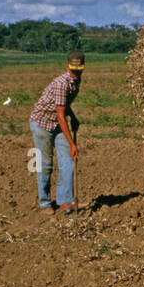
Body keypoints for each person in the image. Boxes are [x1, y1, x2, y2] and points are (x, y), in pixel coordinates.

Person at [29, 50, 84, 215]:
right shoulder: (62, 83)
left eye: (79, 70)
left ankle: (66, 201)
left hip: (58, 123)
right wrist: (72, 143)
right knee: (46, 164)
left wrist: (73, 117)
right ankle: (44, 202)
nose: (76, 73)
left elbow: (65, 105)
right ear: (68, 67)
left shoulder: (76, 81)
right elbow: (60, 115)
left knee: (68, 160)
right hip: (42, 124)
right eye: (74, 70)